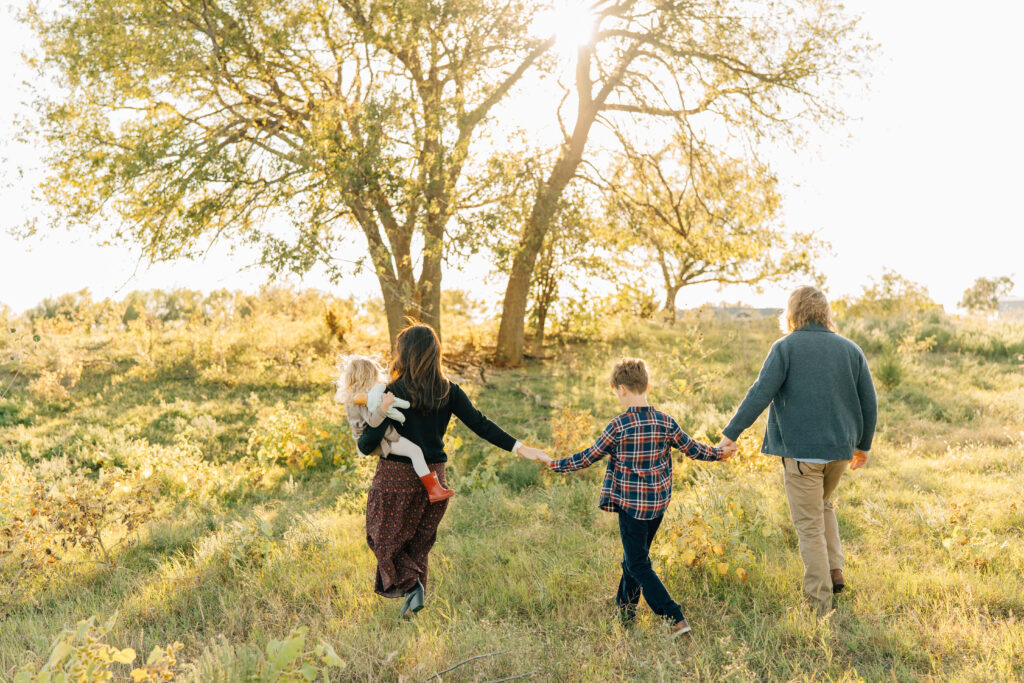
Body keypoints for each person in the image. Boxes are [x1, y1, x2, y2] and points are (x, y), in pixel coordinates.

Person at [358, 324, 548, 617]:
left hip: (397, 477)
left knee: (380, 537)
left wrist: (379, 411)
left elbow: (367, 442)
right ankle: (411, 611)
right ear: (434, 354)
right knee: (417, 545)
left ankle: (411, 587)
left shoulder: (391, 392)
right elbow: (481, 424)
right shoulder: (448, 391)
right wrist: (521, 448)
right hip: (434, 478)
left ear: (405, 355)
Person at [538, 358, 732, 636]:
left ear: (620, 390)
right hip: (657, 505)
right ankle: (625, 614)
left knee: (639, 563)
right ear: (647, 386)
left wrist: (554, 464)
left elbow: (587, 457)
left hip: (631, 507)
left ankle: (675, 616)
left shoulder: (618, 426)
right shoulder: (665, 422)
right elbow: (694, 449)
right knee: (635, 559)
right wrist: (720, 453)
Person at [718, 286, 877, 615]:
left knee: (808, 525)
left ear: (792, 312)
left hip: (804, 454)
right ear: (825, 312)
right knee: (823, 504)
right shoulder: (850, 349)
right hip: (840, 452)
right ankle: (835, 572)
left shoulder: (786, 347)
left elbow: (760, 393)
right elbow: (869, 401)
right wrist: (863, 446)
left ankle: (820, 604)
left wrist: (731, 434)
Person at [336, 355, 454, 503]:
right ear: (366, 377)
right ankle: (434, 490)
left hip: (383, 436)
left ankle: (434, 488)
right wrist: (384, 407)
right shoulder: (357, 399)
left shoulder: (362, 395)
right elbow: (373, 422)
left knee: (415, 451)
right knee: (415, 451)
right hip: (377, 440)